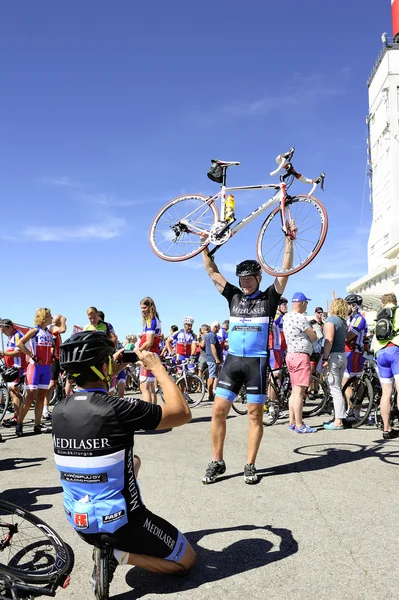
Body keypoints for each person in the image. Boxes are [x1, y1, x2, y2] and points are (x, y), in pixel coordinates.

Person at [52, 331, 196, 593]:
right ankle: (117, 555)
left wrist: (109, 370)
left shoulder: (59, 409)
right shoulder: (118, 407)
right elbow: (182, 413)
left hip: (80, 521)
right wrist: (158, 369)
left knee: (134, 460)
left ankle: (109, 547)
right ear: (103, 367)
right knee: (187, 561)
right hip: (123, 524)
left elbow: (90, 403)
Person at [201, 227, 294, 485]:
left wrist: (289, 241)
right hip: (232, 361)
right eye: (242, 279)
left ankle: (250, 464)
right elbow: (212, 272)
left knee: (255, 415)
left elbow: (285, 271)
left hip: (256, 362)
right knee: (218, 410)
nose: (245, 282)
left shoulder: (269, 298)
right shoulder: (233, 296)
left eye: (250, 278)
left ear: (258, 276)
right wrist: (204, 249)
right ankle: (217, 461)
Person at [283, 293, 318, 433]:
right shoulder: (300, 318)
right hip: (301, 355)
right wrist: (316, 330)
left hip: (291, 354)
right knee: (299, 392)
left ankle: (292, 421)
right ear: (303, 303)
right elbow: (314, 336)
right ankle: (299, 424)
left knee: (294, 390)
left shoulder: (287, 317)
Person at [16, 308, 54, 436]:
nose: (52, 318)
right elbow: (20, 344)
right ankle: (19, 423)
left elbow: (50, 348)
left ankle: (37, 425)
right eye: (50, 316)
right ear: (43, 318)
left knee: (41, 396)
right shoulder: (34, 330)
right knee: (30, 396)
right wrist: (32, 356)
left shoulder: (49, 333)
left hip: (46, 368)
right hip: (35, 367)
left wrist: (52, 357)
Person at [372, 293, 399, 439]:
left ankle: (387, 429)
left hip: (381, 353)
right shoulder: (398, 310)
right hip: (395, 350)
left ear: (383, 303)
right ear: (395, 302)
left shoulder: (379, 314)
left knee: (386, 393)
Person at [321, 298, 348, 430]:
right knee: (338, 388)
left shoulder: (331, 320)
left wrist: (325, 358)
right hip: (342, 355)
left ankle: (338, 421)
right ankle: (339, 416)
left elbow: (329, 340)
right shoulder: (343, 322)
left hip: (333, 356)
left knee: (335, 388)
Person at [0, 319, 28, 428]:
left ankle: (18, 418)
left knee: (14, 392)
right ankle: (17, 416)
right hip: (12, 368)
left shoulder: (17, 335)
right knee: (13, 393)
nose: (3, 333)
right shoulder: (10, 337)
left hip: (18, 368)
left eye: (4, 331)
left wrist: (3, 353)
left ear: (9, 327)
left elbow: (17, 352)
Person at [138, 297, 162, 404]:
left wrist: (137, 350)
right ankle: (153, 415)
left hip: (148, 355)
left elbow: (149, 342)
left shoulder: (150, 321)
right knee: (151, 388)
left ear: (150, 307)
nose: (142, 310)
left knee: (145, 387)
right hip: (153, 354)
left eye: (144, 307)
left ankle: (148, 416)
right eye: (141, 308)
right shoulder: (154, 319)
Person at [45, 314, 67, 420]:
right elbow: (63, 329)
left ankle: (46, 409)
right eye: (59, 321)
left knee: (54, 384)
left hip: (57, 358)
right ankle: (45, 410)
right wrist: (63, 320)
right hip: (53, 359)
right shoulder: (51, 327)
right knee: (51, 384)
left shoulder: (54, 330)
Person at [205, 321, 223, 401]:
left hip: (210, 358)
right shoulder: (212, 335)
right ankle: (210, 394)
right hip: (212, 359)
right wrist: (217, 359)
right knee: (212, 376)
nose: (219, 329)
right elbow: (212, 347)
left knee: (213, 375)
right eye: (218, 327)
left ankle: (211, 393)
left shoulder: (210, 335)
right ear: (215, 327)